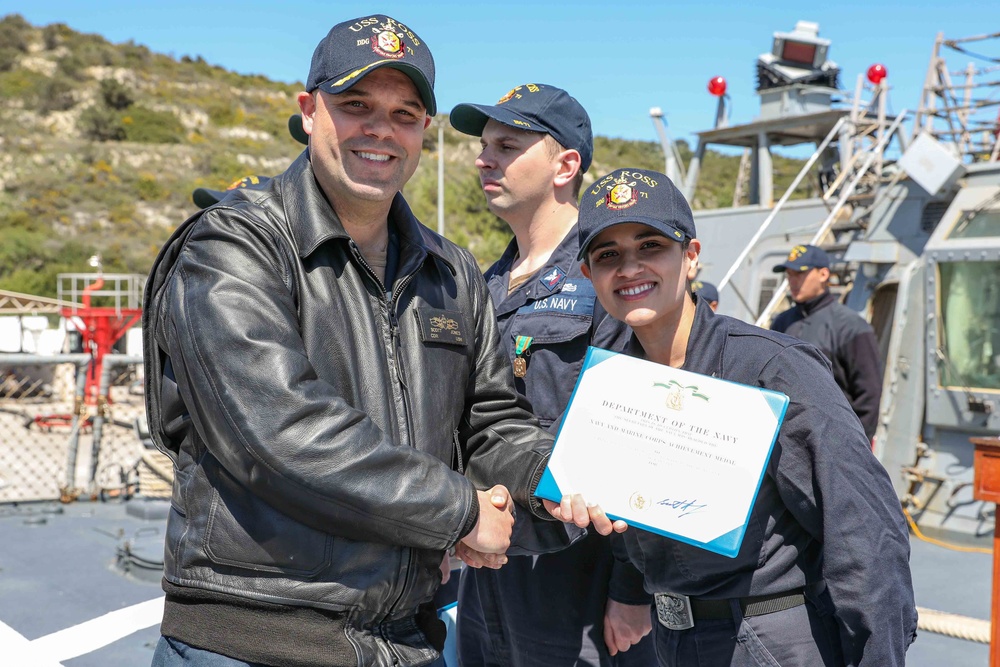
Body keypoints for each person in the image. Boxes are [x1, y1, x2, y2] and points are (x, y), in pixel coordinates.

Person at [142, 15, 615, 667]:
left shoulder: (452, 274)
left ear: (422, 129)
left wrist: (557, 479)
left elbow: (493, 425)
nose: (380, 128)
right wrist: (459, 511)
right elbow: (277, 431)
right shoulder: (234, 245)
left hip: (405, 640)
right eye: (356, 105)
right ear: (309, 111)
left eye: (403, 112)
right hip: (254, 642)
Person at [570, 167, 916, 666]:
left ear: (690, 256)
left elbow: (863, 528)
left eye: (650, 246)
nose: (629, 268)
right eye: (608, 256)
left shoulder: (772, 369)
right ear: (589, 275)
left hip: (768, 638)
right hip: (671, 640)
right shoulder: (613, 384)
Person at [449, 84, 655, 666]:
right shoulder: (483, 285)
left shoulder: (606, 280)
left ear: (565, 165)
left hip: (578, 572)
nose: (484, 158)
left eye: (507, 145)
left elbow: (638, 438)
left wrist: (632, 589)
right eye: (484, 145)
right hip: (487, 560)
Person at [769, 245, 883, 441]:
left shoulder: (851, 326)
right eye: (789, 275)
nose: (792, 281)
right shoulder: (781, 322)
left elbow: (868, 395)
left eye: (799, 274)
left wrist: (855, 447)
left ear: (823, 274)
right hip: (785, 440)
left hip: (831, 441)